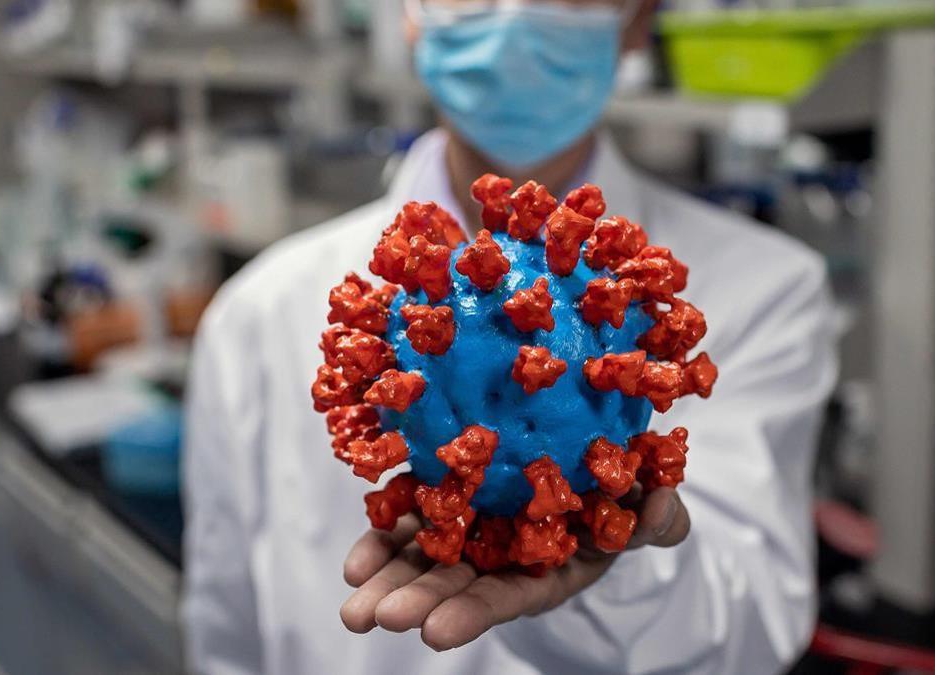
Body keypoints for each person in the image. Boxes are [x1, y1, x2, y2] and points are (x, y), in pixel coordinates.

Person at [181, 0, 837, 673]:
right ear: (410, 13)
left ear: (637, 19)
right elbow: (225, 631)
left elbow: (756, 623)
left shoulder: (768, 288)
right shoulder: (258, 312)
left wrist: (617, 578)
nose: (518, 10)